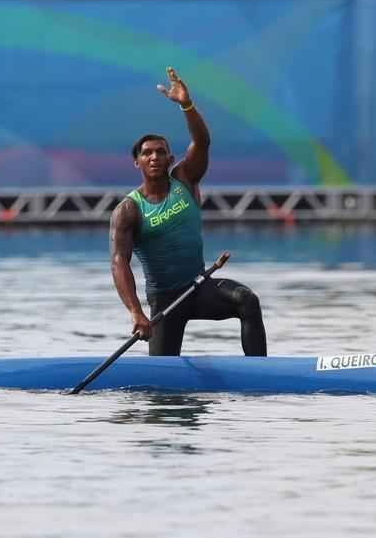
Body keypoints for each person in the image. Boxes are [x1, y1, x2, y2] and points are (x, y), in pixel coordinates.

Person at [109, 67, 268, 357]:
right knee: (160, 390)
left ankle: (261, 373)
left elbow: (202, 142)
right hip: (164, 300)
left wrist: (187, 105)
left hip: (198, 287)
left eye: (160, 152)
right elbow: (119, 263)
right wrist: (136, 313)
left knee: (247, 300)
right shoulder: (128, 210)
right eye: (147, 153)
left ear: (170, 158)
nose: (154, 156)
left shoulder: (185, 178)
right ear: (137, 163)